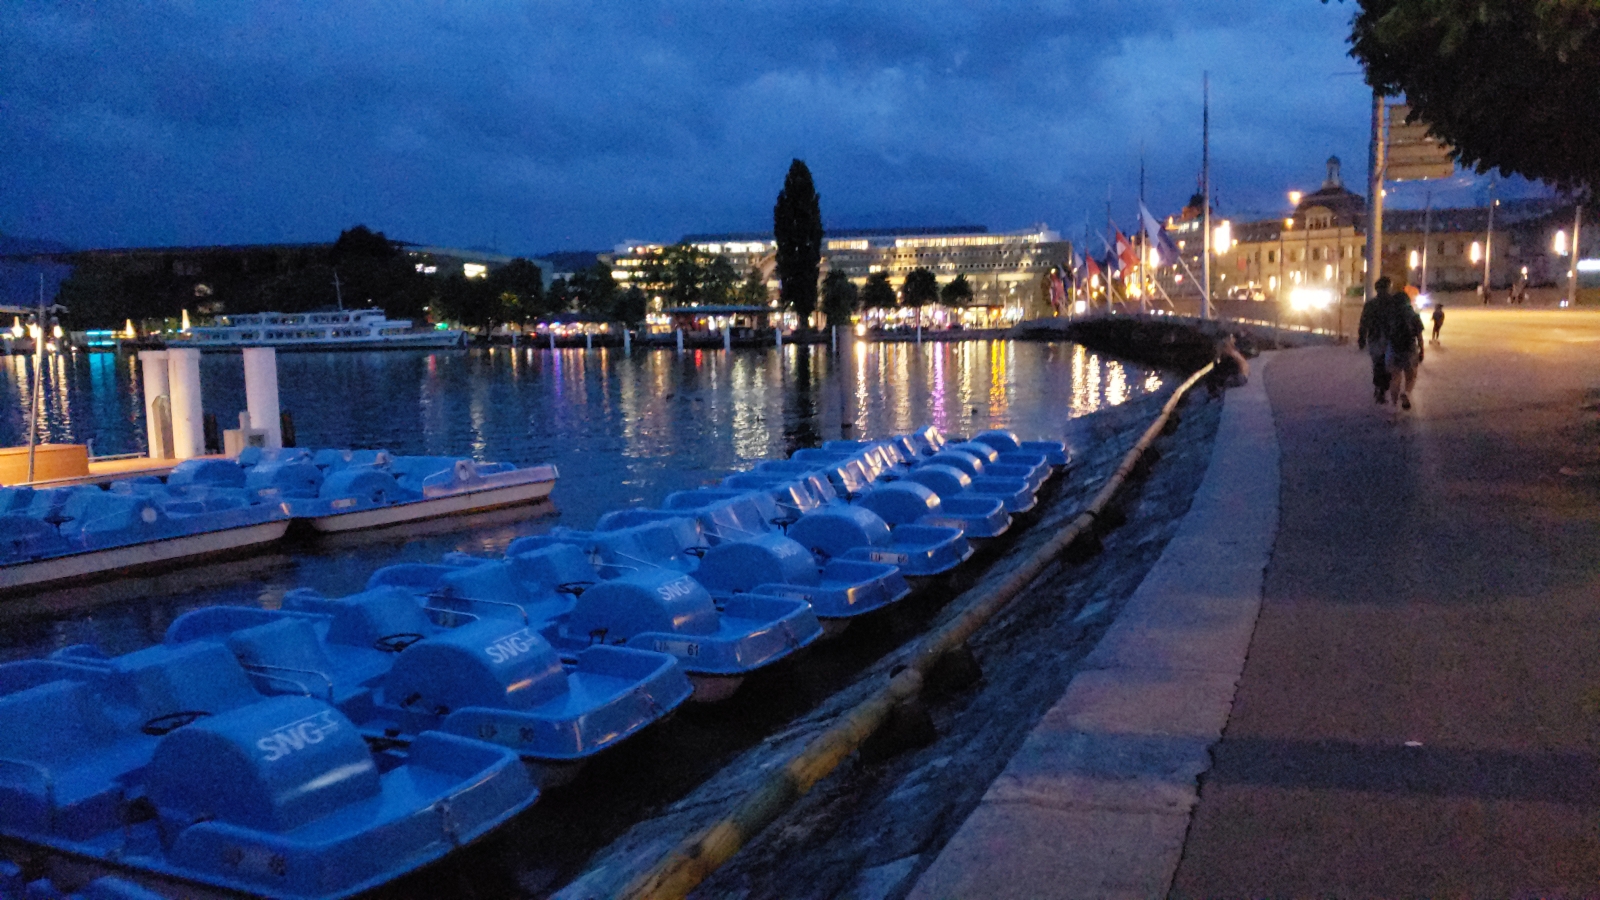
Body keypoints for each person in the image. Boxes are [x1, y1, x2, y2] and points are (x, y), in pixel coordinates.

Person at [1384, 291, 1425, 410]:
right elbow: (1419, 336)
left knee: (1395, 377)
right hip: (1410, 349)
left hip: (1394, 348)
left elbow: (1385, 334)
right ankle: (1406, 393)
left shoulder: (1390, 316)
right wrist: (1422, 350)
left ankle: (1394, 406)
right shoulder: (1414, 315)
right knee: (1411, 376)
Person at [1358, 277, 1394, 403]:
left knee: (1378, 364)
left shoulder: (1370, 305)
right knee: (1388, 365)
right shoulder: (1393, 303)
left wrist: (1362, 338)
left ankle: (1379, 388)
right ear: (1389, 287)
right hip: (1390, 339)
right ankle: (1382, 389)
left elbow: (1363, 323)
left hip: (1374, 338)